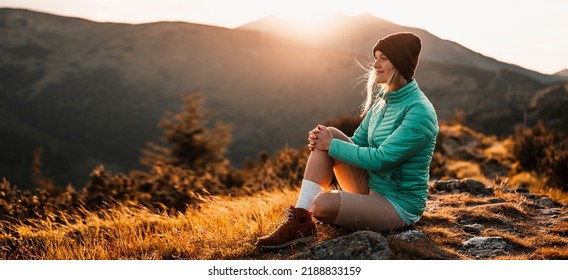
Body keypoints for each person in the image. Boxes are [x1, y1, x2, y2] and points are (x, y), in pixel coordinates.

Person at [256, 32, 438, 249]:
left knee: (322, 205)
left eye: (383, 58)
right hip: (371, 185)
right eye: (376, 57)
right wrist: (324, 142)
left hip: (397, 205)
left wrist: (330, 145)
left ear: (400, 64)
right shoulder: (384, 102)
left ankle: (309, 214)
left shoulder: (419, 111)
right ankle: (300, 220)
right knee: (329, 133)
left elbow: (383, 159)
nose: (375, 64)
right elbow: (357, 141)